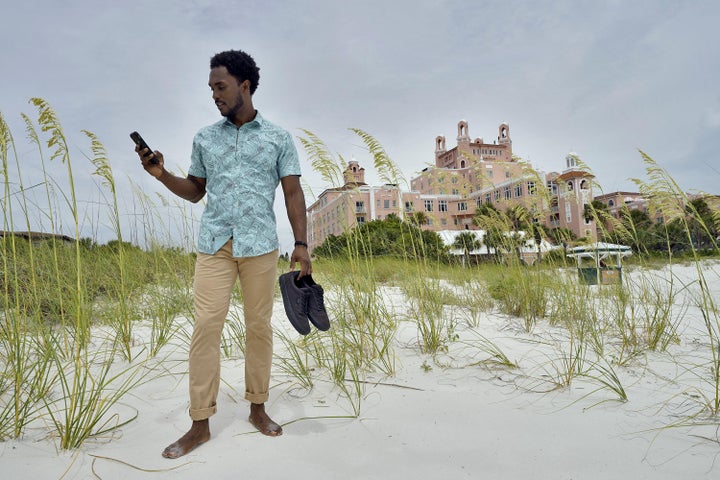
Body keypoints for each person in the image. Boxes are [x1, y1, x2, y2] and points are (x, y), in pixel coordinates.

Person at [135, 49, 311, 459]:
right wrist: (162, 175)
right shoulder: (205, 138)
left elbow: (292, 192)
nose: (214, 94)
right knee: (205, 328)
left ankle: (257, 407)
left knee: (259, 327)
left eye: (221, 86)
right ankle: (199, 423)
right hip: (215, 245)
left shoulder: (277, 138)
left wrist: (301, 244)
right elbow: (196, 191)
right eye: (211, 88)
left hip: (260, 246)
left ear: (244, 86)